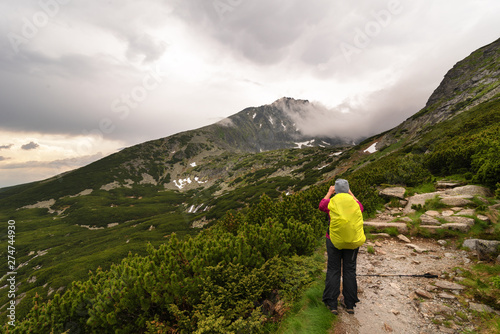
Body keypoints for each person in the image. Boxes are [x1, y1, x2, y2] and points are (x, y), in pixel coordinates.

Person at [319, 178, 365, 315]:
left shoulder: (332, 202)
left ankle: (332, 303)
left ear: (336, 190)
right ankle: (349, 304)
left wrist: (329, 192)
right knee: (349, 271)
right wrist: (350, 193)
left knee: (333, 269)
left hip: (333, 240)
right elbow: (361, 207)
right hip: (352, 242)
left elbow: (322, 205)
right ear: (347, 189)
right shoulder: (354, 202)